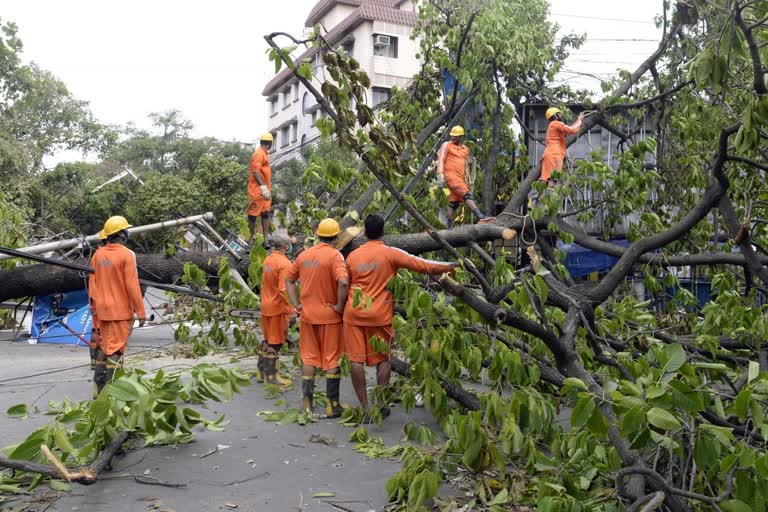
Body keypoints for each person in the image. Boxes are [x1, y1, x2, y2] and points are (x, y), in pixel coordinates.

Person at [344, 214, 456, 422]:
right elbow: (422, 264)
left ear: (364, 232)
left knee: (355, 360)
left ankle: (366, 408)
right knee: (383, 359)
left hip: (354, 313)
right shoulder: (390, 253)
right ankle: (382, 404)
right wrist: (452, 265)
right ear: (383, 232)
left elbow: (344, 284)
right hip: (380, 315)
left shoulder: (352, 257)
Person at [286, 218, 349, 418]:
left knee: (309, 358)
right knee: (331, 360)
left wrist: (296, 304)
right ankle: (333, 406)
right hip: (330, 316)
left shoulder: (304, 255)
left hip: (307, 315)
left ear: (317, 234)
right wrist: (339, 305)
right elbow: (344, 282)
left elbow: (288, 279)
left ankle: (307, 406)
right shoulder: (335, 256)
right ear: (336, 236)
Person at [88, 216, 146, 398]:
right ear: (121, 233)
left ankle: (99, 393)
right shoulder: (127, 255)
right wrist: (141, 311)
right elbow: (132, 285)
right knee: (116, 350)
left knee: (104, 349)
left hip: (102, 311)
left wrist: (94, 309)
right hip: (120, 312)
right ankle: (113, 394)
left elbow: (93, 283)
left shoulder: (98, 255)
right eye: (125, 230)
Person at [436, 125, 495, 227]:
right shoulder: (446, 145)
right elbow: (441, 159)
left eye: (456, 136)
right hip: (451, 177)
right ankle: (480, 217)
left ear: (461, 137)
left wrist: (470, 161)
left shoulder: (465, 149)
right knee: (467, 195)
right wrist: (440, 174)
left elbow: (465, 164)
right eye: (452, 135)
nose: (453, 137)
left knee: (453, 204)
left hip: (460, 178)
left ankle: (449, 229)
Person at [258, 235, 296, 387]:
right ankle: (272, 376)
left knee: (267, 340)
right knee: (276, 343)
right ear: (286, 247)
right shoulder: (284, 263)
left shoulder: (268, 260)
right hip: (277, 307)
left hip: (266, 304)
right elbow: (283, 290)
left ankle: (261, 372)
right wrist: (291, 310)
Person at [540, 108, 585, 187]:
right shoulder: (556, 123)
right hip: (554, 154)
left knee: (547, 181)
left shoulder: (553, 126)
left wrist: (578, 121)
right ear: (555, 116)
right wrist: (580, 120)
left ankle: (542, 198)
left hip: (551, 154)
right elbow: (571, 130)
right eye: (559, 113)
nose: (561, 115)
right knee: (552, 181)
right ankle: (550, 197)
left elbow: (568, 130)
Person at [247, 133, 274, 245]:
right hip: (257, 191)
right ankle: (251, 239)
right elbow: (255, 172)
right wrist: (263, 188)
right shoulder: (258, 154)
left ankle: (266, 240)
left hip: (265, 191)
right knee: (252, 215)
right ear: (270, 143)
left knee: (265, 214)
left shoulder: (264, 154)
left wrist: (266, 190)